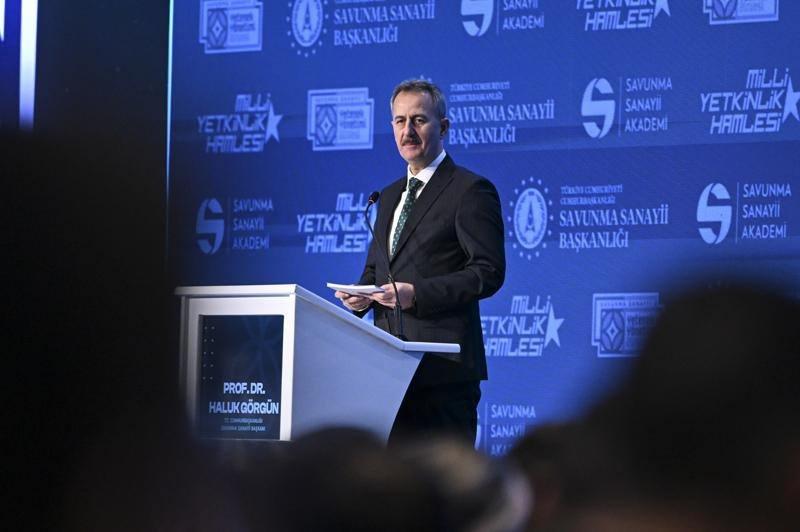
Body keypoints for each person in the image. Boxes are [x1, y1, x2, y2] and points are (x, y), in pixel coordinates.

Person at [335, 79, 506, 443]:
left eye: (419, 120)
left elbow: (488, 272)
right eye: (400, 121)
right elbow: (377, 269)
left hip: (442, 374)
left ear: (443, 127)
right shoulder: (389, 195)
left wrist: (417, 294)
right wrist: (360, 295)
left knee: (441, 477)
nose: (407, 131)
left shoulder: (470, 190)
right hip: (387, 370)